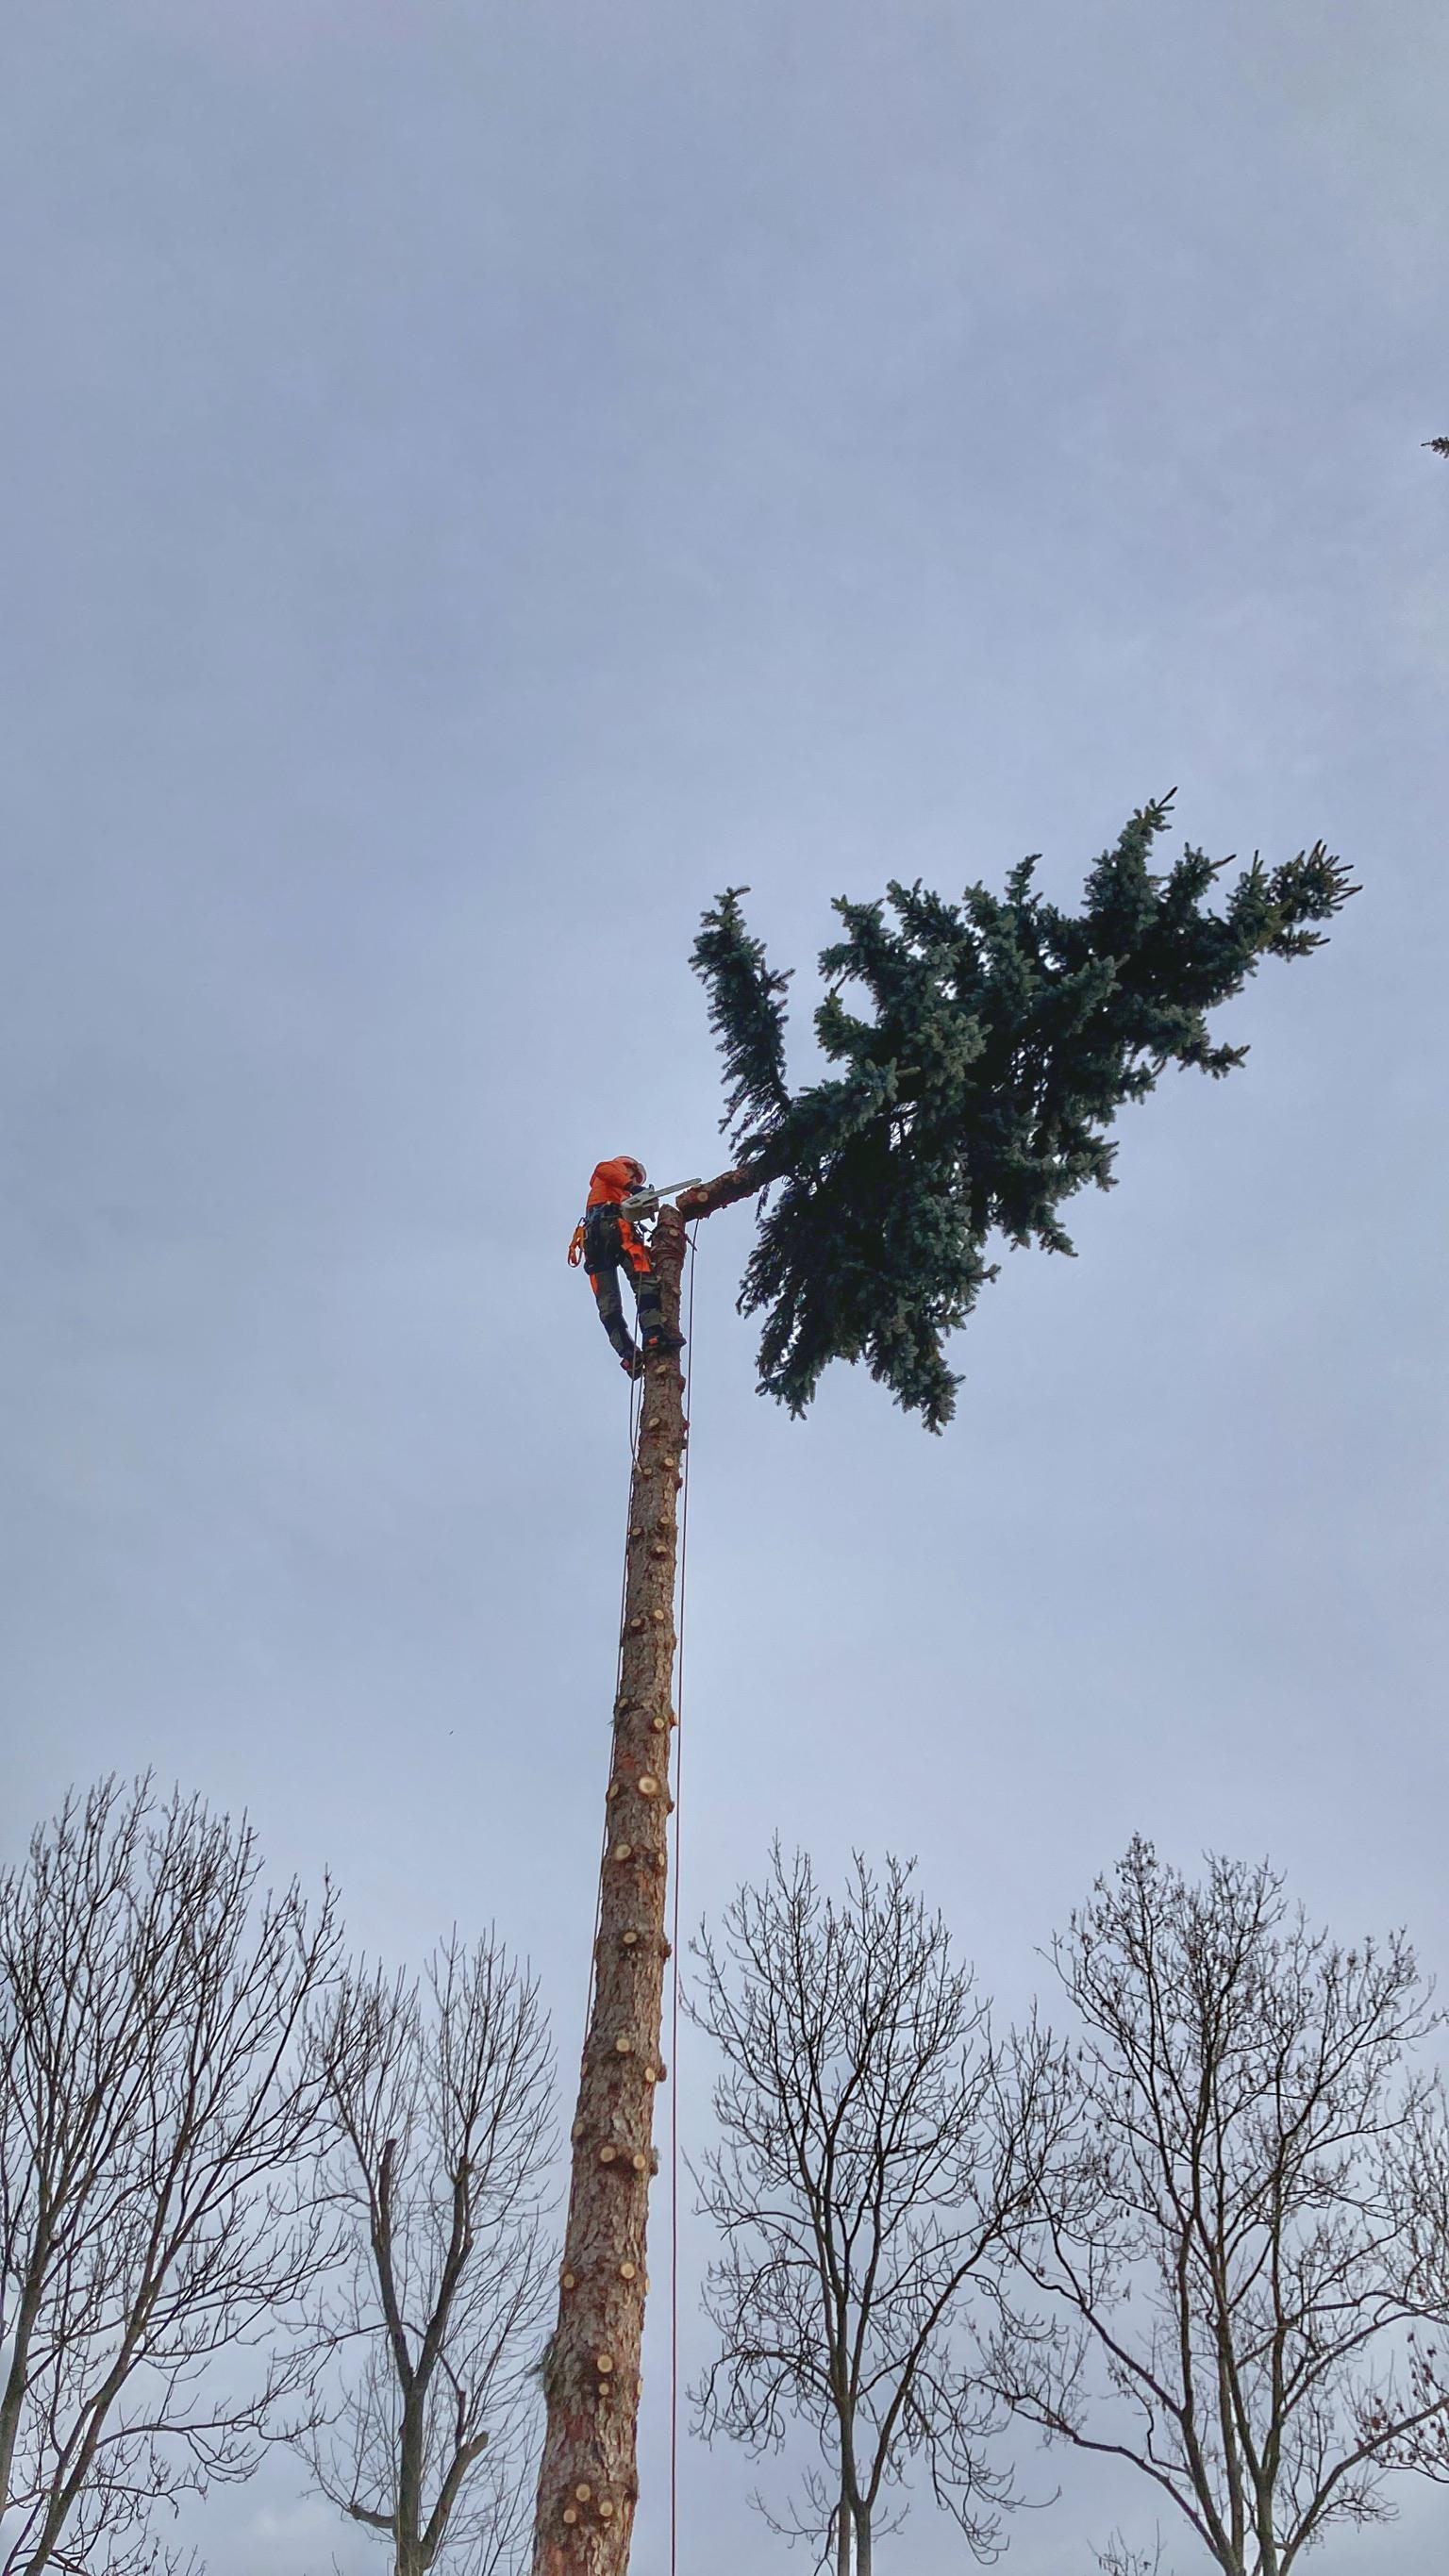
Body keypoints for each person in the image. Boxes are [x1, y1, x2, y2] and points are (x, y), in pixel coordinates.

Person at [569, 1156, 685, 1376]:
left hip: (594, 1240)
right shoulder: (612, 1171)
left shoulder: (613, 1194)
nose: (633, 1179)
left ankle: (629, 1355)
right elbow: (602, 1169)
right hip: (613, 1229)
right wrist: (634, 1187)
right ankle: (651, 1334)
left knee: (608, 1304)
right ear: (629, 1168)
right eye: (634, 1175)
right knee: (644, 1280)